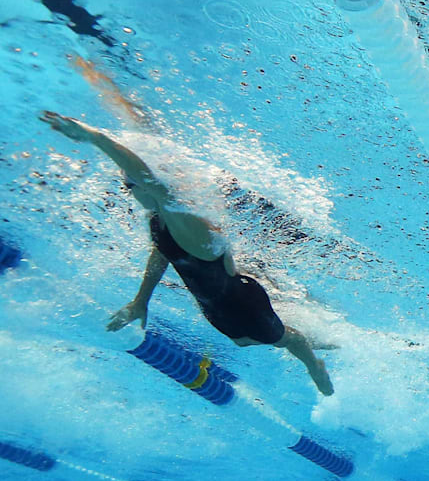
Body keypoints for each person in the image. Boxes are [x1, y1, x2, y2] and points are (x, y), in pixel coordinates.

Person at [39, 112, 334, 396]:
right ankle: (295, 314)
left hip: (244, 305)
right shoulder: (158, 220)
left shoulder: (186, 220)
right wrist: (140, 302)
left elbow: (156, 184)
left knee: (282, 338)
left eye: (128, 184)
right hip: (216, 303)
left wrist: (95, 137)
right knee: (243, 341)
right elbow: (163, 252)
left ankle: (314, 363)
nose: (128, 191)